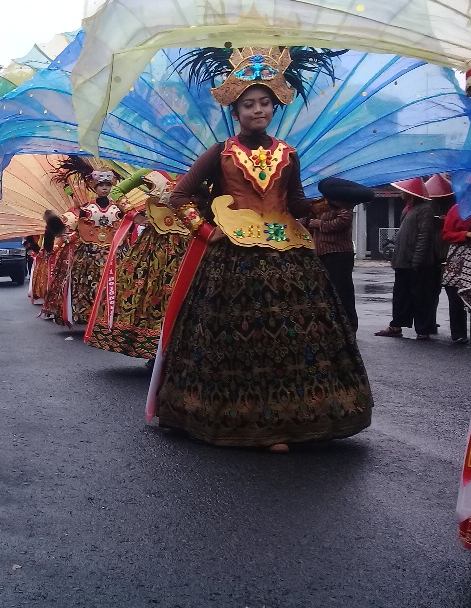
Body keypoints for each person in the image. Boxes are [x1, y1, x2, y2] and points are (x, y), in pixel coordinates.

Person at [148, 46, 372, 451]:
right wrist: (205, 232)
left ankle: (295, 419)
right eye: (248, 103)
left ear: (275, 106)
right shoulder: (220, 152)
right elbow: (178, 198)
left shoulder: (288, 154)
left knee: (292, 339)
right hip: (232, 261)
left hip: (289, 255)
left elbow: (298, 206)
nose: (257, 109)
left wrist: (334, 201)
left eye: (264, 102)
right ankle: (239, 421)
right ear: (235, 110)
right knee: (238, 340)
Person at [84, 171, 189, 361]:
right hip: (155, 243)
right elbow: (118, 191)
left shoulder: (193, 170)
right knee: (151, 292)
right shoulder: (150, 172)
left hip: (188, 242)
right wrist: (136, 216)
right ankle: (154, 352)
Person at [49, 158, 129, 326]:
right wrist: (68, 239)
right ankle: (89, 315)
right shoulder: (86, 210)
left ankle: (110, 314)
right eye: (101, 185)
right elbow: (79, 232)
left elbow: (123, 231)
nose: (105, 188)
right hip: (89, 255)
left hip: (113, 253)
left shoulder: (118, 209)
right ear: (95, 187)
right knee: (87, 284)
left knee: (112, 284)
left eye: (108, 185)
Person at [375, 178, 439, 340]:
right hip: (402, 261)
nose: (402, 193)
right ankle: (396, 325)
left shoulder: (425, 210)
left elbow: (424, 236)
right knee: (400, 295)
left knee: (420, 296)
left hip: (416, 262)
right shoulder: (407, 210)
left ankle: (423, 329)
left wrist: (417, 259)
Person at [305, 202, 360, 332]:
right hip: (322, 253)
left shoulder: (341, 203)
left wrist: (320, 224)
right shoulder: (320, 204)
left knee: (342, 291)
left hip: (338, 253)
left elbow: (343, 221)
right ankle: (333, 323)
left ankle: (349, 325)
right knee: (326, 291)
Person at [441, 201, 471, 346]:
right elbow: (446, 234)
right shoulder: (455, 209)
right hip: (457, 260)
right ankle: (458, 334)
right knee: (455, 298)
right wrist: (465, 234)